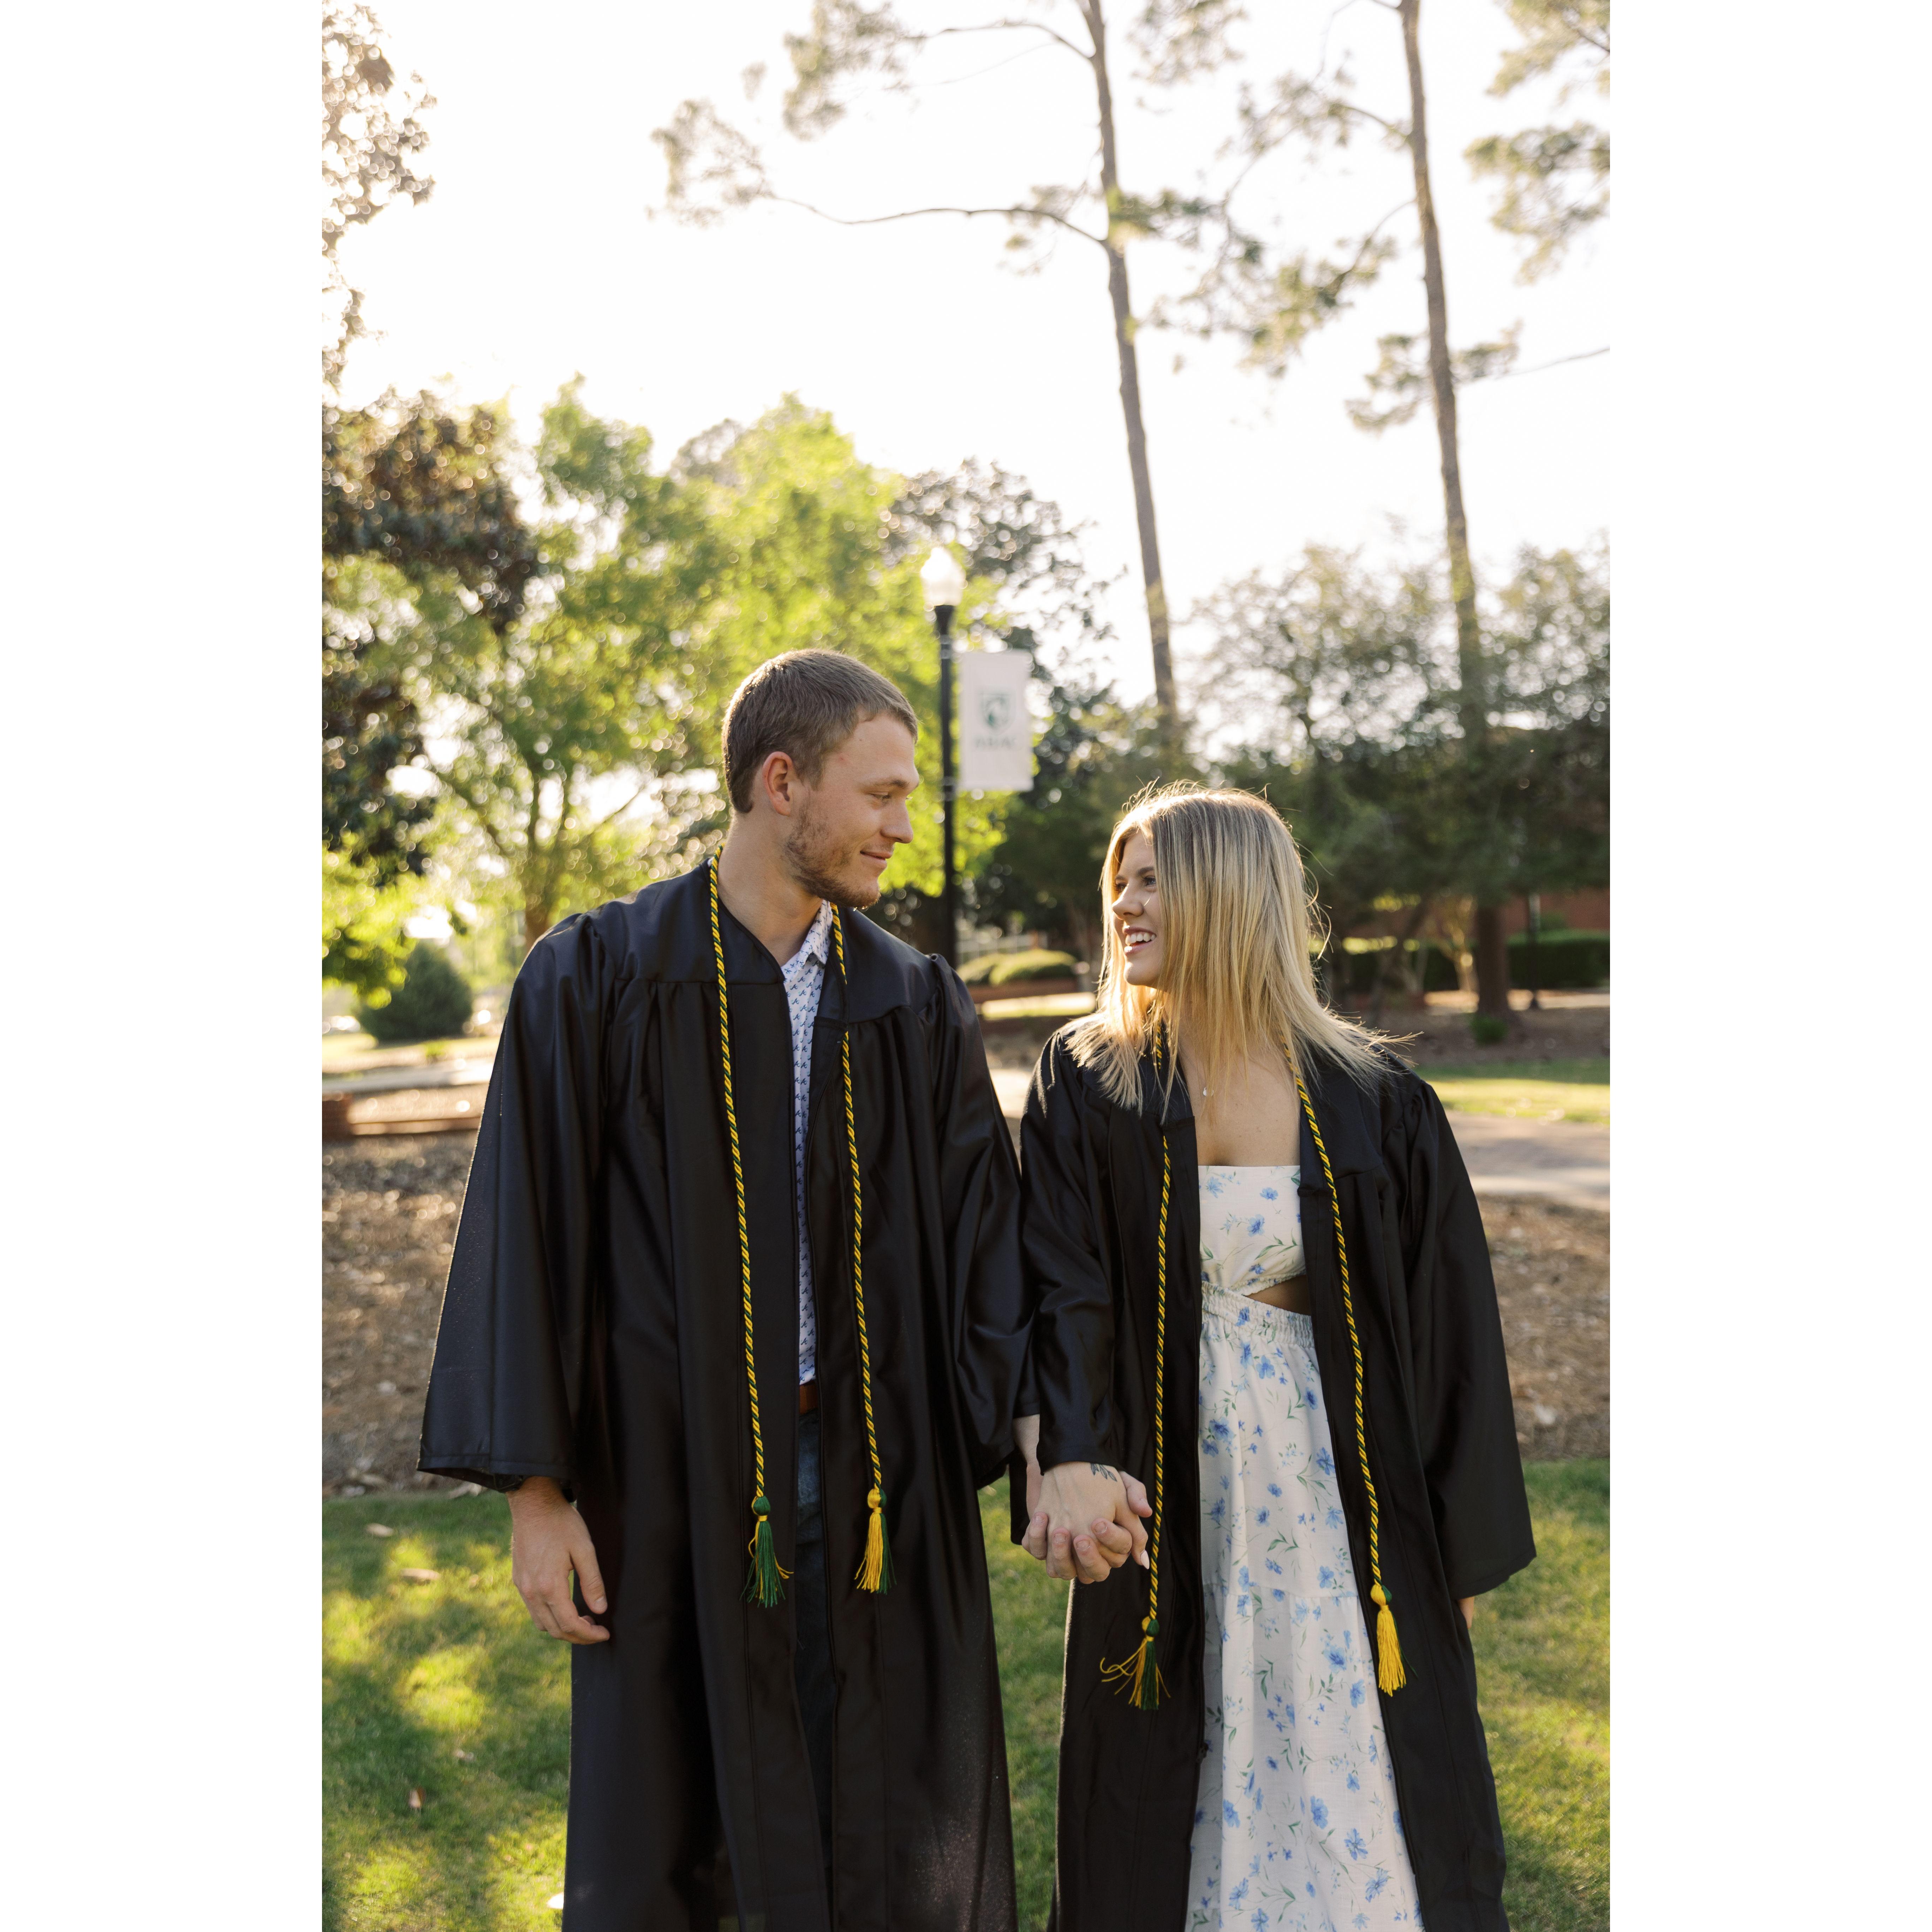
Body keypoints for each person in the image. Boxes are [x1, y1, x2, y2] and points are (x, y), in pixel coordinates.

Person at [418, 649, 1046, 1932]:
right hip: (669, 1477)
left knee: (873, 1806)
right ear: (782, 782)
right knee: (679, 1823)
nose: (903, 825)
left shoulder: (913, 1000)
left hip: (870, 1473)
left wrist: (1047, 1437)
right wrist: (537, 1498)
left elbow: (991, 1244)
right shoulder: (596, 976)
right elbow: (527, 1230)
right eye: (880, 794)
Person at [1014, 785, 1534, 1932]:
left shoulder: (1375, 1100)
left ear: (1231, 892)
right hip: (1164, 1457)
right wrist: (1072, 1456)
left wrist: (1450, 1549)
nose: (1123, 905)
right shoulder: (1092, 1079)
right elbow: (1061, 1282)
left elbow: (1450, 1332)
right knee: (1170, 1742)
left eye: (1152, 880)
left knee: (1342, 1723)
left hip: (1330, 1470)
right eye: (1119, 882)